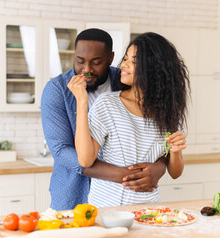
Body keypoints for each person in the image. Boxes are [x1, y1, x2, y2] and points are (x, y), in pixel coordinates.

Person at [41, 29, 169, 210]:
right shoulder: (57, 90)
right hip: (73, 192)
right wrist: (126, 175)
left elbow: (155, 134)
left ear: (110, 58)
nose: (86, 70)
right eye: (80, 61)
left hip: (123, 197)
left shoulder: (125, 80)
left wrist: (160, 166)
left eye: (96, 62)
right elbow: (61, 151)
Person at [67, 32, 190, 207]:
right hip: (107, 209)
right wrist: (81, 101)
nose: (123, 65)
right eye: (125, 58)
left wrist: (176, 151)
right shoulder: (108, 104)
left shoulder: (168, 112)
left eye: (134, 62)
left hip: (148, 210)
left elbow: (175, 172)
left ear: (154, 68)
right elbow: (85, 160)